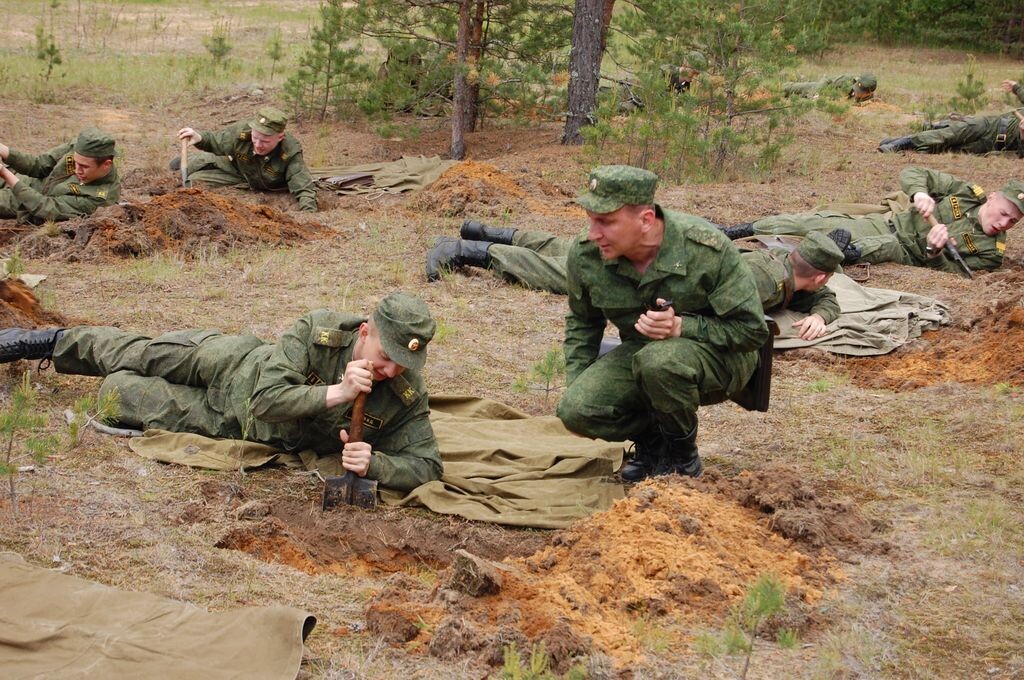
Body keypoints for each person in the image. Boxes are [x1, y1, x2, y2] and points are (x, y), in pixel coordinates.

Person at [0, 293, 440, 492]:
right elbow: (267, 398)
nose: (392, 370)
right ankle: (42, 342)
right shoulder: (318, 330)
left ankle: (109, 384)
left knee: (118, 395)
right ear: (364, 332)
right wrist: (337, 392)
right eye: (386, 356)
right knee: (138, 353)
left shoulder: (405, 393)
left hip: (229, 422)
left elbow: (427, 466)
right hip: (231, 363)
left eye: (404, 363)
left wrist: (375, 462)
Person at [554, 165, 769, 482]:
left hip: (722, 356)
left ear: (645, 220)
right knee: (577, 410)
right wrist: (578, 384)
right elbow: (583, 321)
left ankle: (683, 460)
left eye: (606, 222)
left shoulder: (706, 250)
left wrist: (681, 327)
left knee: (659, 362)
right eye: (591, 219)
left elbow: (752, 331)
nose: (593, 233)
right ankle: (654, 443)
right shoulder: (587, 255)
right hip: (643, 355)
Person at [426, 222, 846, 341]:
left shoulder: (782, 265)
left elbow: (822, 297)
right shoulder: (764, 284)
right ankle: (468, 251)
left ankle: (486, 231)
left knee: (574, 248)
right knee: (567, 273)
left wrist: (822, 315)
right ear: (820, 273)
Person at [722, 167, 1024, 277]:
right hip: (889, 223)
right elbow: (913, 173)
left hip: (907, 251)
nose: (1005, 223)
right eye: (1004, 213)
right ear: (992, 198)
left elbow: (957, 274)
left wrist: (934, 252)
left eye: (1013, 221)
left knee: (880, 247)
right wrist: (920, 194)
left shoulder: (991, 253)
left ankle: (829, 254)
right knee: (811, 222)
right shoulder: (966, 193)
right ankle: (737, 231)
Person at [175, 107, 318, 212]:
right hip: (237, 169)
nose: (258, 144)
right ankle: (192, 161)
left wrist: (309, 213)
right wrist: (199, 137)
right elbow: (216, 141)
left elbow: (304, 187)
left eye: (265, 141)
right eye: (255, 138)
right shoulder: (242, 131)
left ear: (280, 137)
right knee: (192, 173)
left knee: (195, 178)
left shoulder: (289, 151)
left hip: (251, 182)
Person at [0, 128, 120, 224]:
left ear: (106, 165)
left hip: (27, 202)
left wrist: (5, 174)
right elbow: (39, 165)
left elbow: (46, 207)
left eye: (84, 166)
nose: (77, 170)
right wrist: (4, 151)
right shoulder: (78, 147)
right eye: (75, 162)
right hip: (27, 180)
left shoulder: (100, 198)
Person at [878, 79, 1024, 154]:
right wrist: (1016, 87)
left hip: (994, 146)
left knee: (947, 148)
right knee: (950, 134)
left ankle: (903, 142)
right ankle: (900, 144)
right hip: (991, 125)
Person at [783, 73, 877, 102]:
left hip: (826, 103)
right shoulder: (846, 80)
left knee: (797, 102)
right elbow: (827, 79)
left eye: (860, 91)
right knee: (787, 88)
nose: (857, 92)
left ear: (869, 92)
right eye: (857, 89)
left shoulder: (869, 100)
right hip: (820, 89)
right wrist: (816, 93)